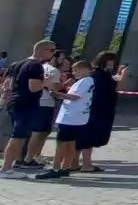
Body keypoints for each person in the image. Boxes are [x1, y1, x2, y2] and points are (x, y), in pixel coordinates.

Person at [1, 40, 57, 179]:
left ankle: (8, 166)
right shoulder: (36, 66)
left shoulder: (17, 63)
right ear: (41, 50)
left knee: (17, 135)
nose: (53, 54)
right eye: (52, 50)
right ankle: (6, 168)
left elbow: (6, 83)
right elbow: (34, 87)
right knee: (18, 136)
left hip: (14, 102)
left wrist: (7, 94)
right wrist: (47, 81)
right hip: (26, 103)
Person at [35, 60, 94, 180]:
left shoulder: (85, 81)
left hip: (70, 117)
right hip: (76, 116)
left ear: (85, 69)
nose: (74, 72)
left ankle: (56, 168)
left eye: (76, 70)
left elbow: (75, 97)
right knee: (70, 142)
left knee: (61, 143)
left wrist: (57, 94)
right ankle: (65, 167)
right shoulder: (85, 81)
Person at [76, 51, 127, 173]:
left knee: (84, 137)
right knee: (88, 137)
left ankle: (74, 163)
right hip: (97, 110)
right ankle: (86, 164)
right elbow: (118, 87)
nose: (112, 65)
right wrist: (123, 76)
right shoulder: (99, 75)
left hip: (95, 109)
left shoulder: (97, 75)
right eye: (110, 63)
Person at [19, 49, 65, 169]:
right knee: (39, 132)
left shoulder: (41, 67)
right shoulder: (54, 70)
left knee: (39, 131)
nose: (63, 61)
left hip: (36, 101)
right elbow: (54, 90)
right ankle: (29, 158)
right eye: (61, 58)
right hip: (46, 103)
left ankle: (33, 156)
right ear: (53, 58)